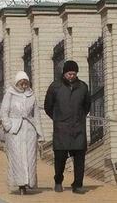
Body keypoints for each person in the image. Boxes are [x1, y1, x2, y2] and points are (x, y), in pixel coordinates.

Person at [43, 60, 90, 195]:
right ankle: (58, 181)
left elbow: (87, 105)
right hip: (61, 129)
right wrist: (57, 118)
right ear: (64, 73)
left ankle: (78, 185)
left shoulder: (83, 87)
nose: (71, 76)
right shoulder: (55, 87)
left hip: (78, 128)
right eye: (69, 73)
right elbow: (48, 106)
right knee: (60, 158)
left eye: (74, 73)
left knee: (80, 158)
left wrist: (79, 118)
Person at [0, 71, 43, 195]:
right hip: (14, 131)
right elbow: (4, 112)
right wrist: (8, 126)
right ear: (17, 82)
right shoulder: (10, 93)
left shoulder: (32, 95)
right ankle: (20, 184)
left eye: (25, 82)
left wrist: (39, 134)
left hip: (29, 130)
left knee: (30, 157)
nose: (23, 84)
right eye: (21, 82)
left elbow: (37, 116)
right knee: (17, 158)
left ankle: (29, 183)